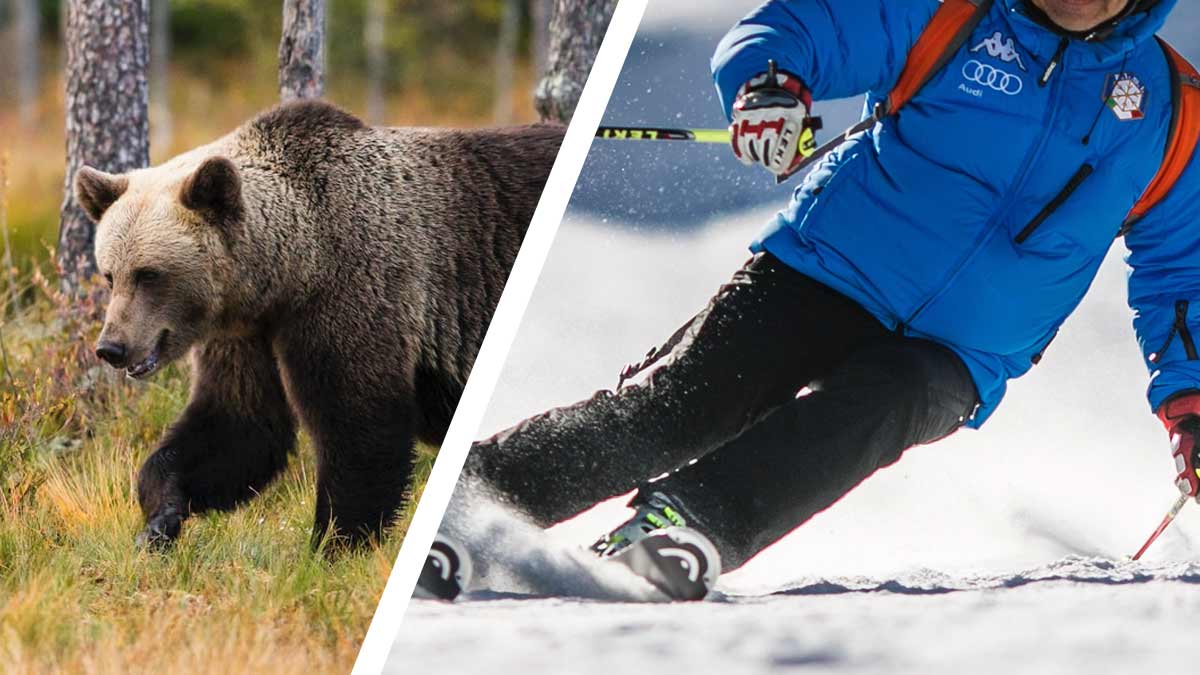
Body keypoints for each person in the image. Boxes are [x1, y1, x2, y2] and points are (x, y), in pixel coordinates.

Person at [464, 0, 1200, 572]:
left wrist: (1192, 407)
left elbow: (1182, 275)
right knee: (684, 405)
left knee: (876, 411)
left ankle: (685, 527)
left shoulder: (1173, 113)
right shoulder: (952, 14)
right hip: (824, 269)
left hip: (960, 351)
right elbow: (798, 29)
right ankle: (474, 500)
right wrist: (768, 91)